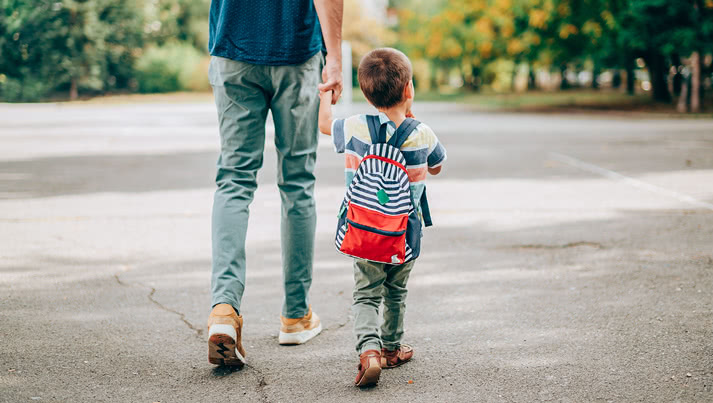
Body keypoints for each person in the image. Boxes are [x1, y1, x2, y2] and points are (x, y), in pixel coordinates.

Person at [206, 0, 344, 367]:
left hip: (233, 44)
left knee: (234, 180)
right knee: (297, 183)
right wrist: (335, 58)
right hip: (296, 52)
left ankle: (224, 308)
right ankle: (296, 316)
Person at [318, 48, 447, 386]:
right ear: (409, 90)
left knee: (366, 294)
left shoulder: (355, 127)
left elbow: (323, 126)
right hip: (403, 236)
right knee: (395, 292)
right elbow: (436, 166)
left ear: (366, 93)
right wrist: (411, 118)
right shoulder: (422, 133)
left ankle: (369, 352)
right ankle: (391, 349)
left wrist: (326, 93)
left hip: (363, 234)